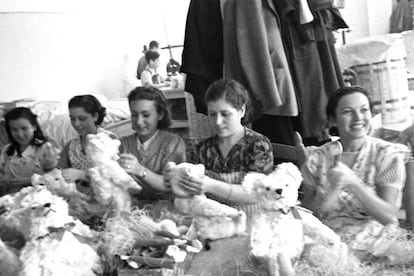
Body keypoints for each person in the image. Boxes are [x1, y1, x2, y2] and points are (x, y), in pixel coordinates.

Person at [298, 86, 411, 254]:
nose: (358, 118)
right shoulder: (317, 157)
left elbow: (387, 216)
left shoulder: (386, 154)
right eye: (347, 112)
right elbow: (308, 212)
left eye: (364, 110)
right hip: (326, 239)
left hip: (374, 242)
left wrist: (354, 184)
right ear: (333, 120)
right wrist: (328, 194)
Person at [172, 78, 274, 206]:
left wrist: (212, 186)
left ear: (241, 110)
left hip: (252, 219)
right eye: (212, 114)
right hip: (213, 218)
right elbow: (192, 188)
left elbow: (259, 193)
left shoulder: (258, 145)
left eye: (225, 114)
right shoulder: (203, 149)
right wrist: (177, 179)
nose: (218, 122)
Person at [118, 86, 186, 204]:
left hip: (166, 210)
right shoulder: (122, 144)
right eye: (134, 115)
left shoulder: (173, 143)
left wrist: (141, 170)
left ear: (160, 115)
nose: (139, 121)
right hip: (131, 208)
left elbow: (171, 185)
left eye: (146, 115)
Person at [58, 95, 116, 189]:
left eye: (82, 119)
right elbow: (59, 171)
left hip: (107, 198)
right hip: (80, 200)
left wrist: (82, 174)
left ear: (95, 116)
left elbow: (114, 176)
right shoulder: (71, 147)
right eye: (72, 119)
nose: (76, 124)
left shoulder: (109, 140)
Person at [0, 107, 59, 195]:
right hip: (10, 199)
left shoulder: (46, 149)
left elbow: (55, 177)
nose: (20, 134)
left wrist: (24, 181)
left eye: (24, 128)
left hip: (39, 199)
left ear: (34, 127)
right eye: (14, 130)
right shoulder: (7, 150)